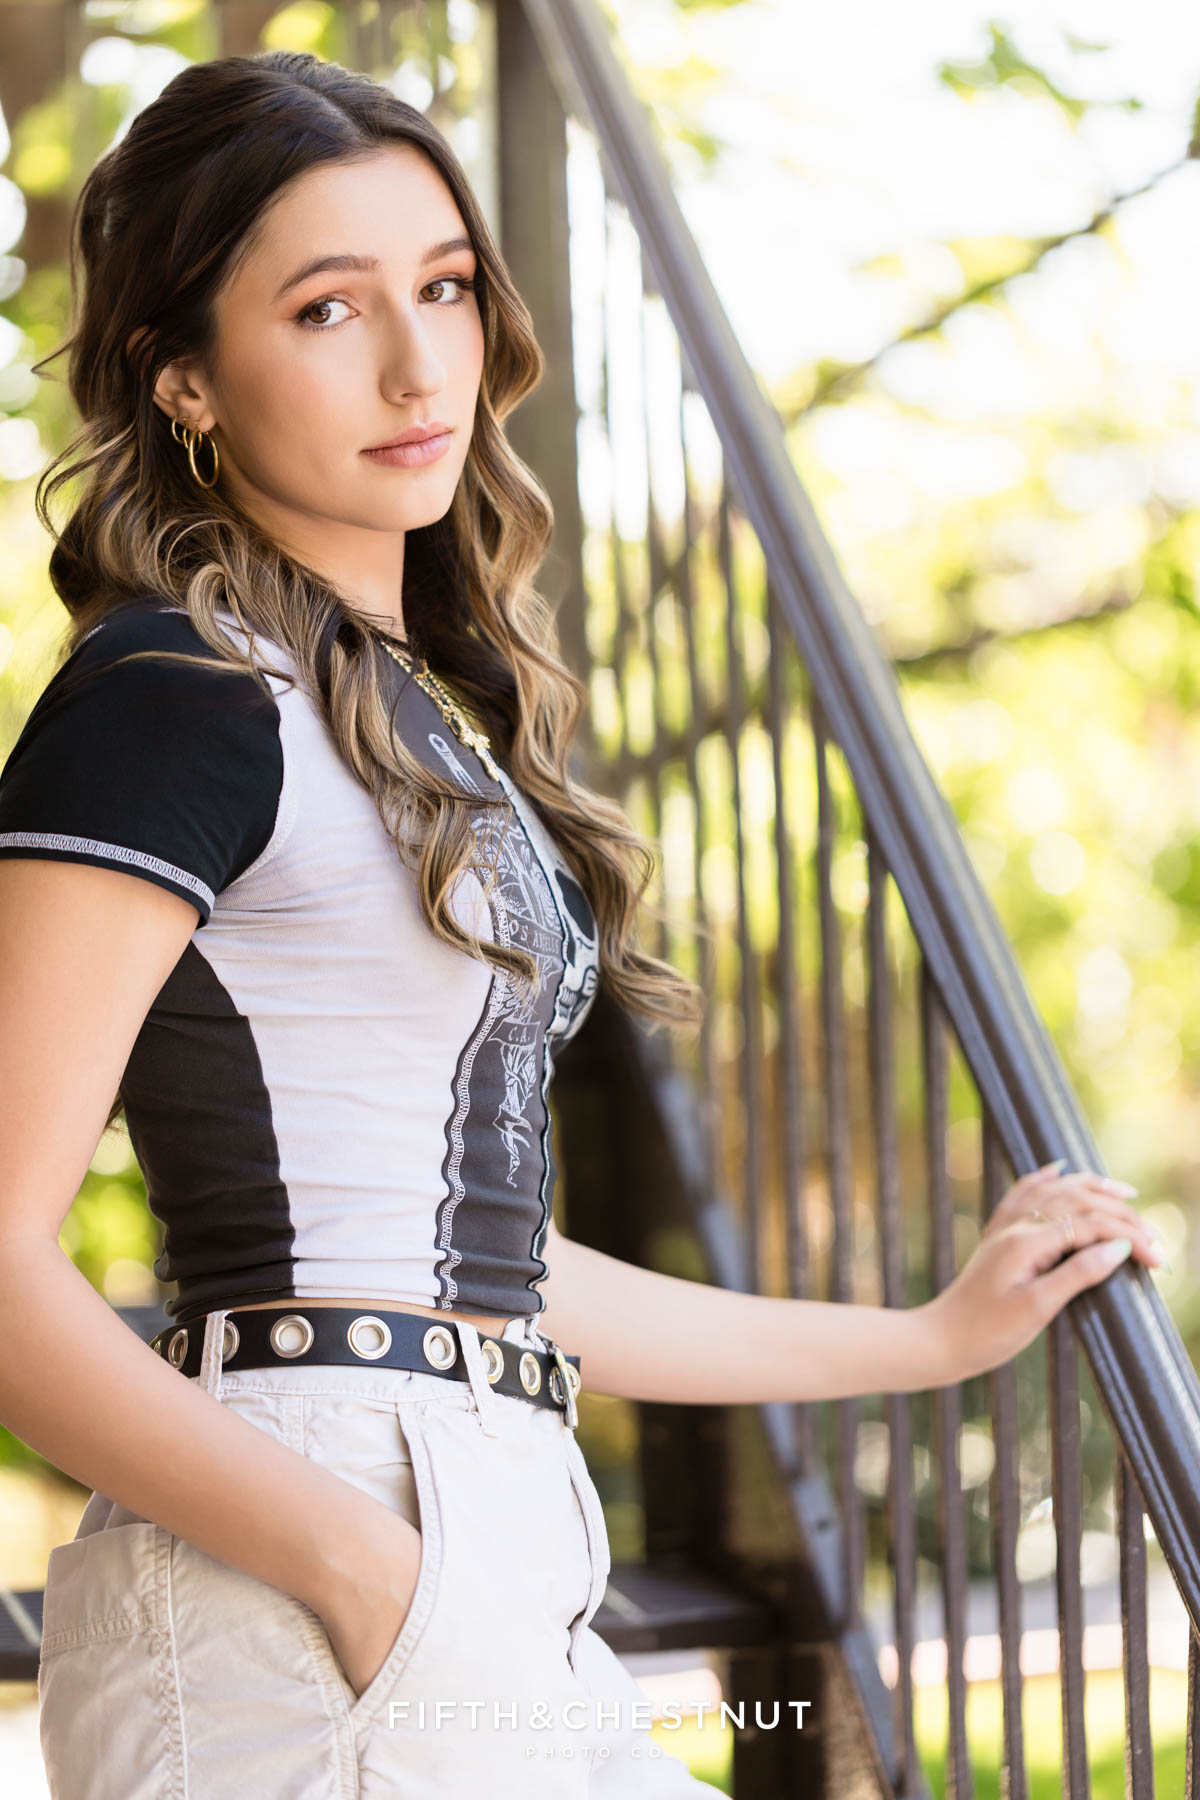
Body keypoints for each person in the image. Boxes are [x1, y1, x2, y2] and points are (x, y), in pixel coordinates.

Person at [0, 47, 1162, 1800]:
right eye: (328, 309)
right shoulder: (173, 697)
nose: (420, 366)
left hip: (469, 1527)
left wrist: (930, 1340)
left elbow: (497, 1273)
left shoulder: (394, 722)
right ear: (184, 377)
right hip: (311, 1562)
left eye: (446, 289)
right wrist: (363, 1570)